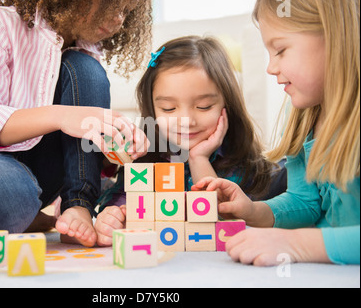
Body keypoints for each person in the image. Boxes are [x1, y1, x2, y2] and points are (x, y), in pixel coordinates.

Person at [0, 0, 152, 247]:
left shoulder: (87, 52)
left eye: (126, 10)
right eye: (110, 3)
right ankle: (24, 212)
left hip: (40, 177)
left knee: (86, 68)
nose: (118, 18)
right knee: (8, 197)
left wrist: (114, 146)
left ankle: (78, 205)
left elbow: (78, 150)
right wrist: (62, 116)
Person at [193, 0, 360, 266]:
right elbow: (305, 202)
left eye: (280, 50)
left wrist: (295, 244)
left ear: (337, 35)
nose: (271, 68)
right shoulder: (304, 117)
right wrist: (252, 210)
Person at [95, 36, 287, 246]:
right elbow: (122, 198)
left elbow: (222, 224)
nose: (186, 121)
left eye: (203, 106)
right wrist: (113, 216)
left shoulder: (242, 166)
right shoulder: (146, 160)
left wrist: (199, 159)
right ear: (152, 111)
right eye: (168, 109)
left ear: (227, 105)